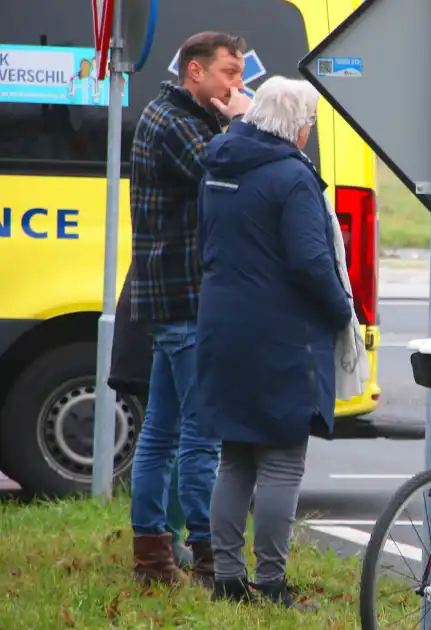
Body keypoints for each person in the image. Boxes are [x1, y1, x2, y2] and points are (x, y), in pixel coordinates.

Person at [195, 76, 360, 608]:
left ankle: (226, 579)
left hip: (223, 325)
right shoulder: (291, 176)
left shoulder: (217, 166)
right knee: (282, 462)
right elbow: (311, 262)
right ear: (301, 127)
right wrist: (341, 311)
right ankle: (270, 584)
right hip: (280, 333)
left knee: (234, 457)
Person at [127, 30, 253, 588]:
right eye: (230, 72)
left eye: (241, 74)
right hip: (184, 298)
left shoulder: (172, 114)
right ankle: (209, 561)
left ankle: (154, 555)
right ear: (195, 72)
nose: (238, 84)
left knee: (160, 430)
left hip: (172, 296)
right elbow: (227, 170)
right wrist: (246, 119)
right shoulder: (177, 123)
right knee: (199, 436)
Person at [108, 265, 192, 570]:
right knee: (181, 436)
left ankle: (154, 541)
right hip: (177, 318)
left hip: (146, 313)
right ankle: (169, 538)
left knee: (160, 434)